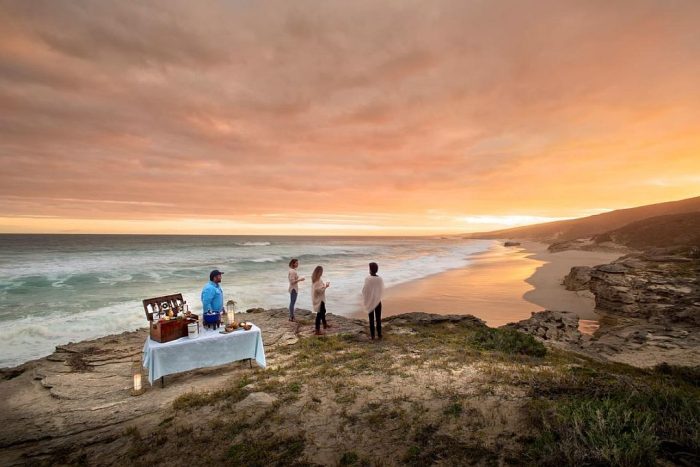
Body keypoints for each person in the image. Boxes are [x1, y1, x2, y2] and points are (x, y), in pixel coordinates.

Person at [362, 262, 385, 340]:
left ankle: (372, 336)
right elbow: (381, 289)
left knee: (371, 319)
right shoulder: (380, 279)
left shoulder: (368, 279)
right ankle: (379, 334)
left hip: (370, 301)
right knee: (378, 319)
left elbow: (365, 290)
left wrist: (366, 298)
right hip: (378, 301)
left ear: (371, 269)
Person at [311, 265, 331, 335]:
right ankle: (317, 330)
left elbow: (319, 288)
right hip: (319, 299)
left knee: (323, 311)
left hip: (319, 298)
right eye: (321, 272)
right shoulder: (317, 281)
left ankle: (325, 324)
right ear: (319, 272)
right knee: (319, 314)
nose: (322, 273)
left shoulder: (317, 279)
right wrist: (326, 287)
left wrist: (324, 286)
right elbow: (319, 290)